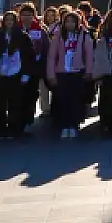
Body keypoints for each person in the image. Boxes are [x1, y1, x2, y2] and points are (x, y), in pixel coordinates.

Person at [46, 8, 94, 139]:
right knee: (62, 100)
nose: (70, 25)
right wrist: (51, 74)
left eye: (72, 22)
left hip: (77, 72)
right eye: (67, 22)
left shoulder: (84, 35)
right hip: (62, 72)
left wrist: (89, 71)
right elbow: (52, 56)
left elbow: (89, 55)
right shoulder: (58, 35)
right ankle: (64, 125)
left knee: (75, 100)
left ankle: (73, 125)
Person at [0, 10, 35, 141]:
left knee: (15, 103)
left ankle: (14, 128)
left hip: (17, 73)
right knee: (0, 103)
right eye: (7, 20)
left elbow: (29, 57)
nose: (9, 23)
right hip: (1, 73)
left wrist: (26, 74)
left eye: (12, 20)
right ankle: (0, 129)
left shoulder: (23, 37)